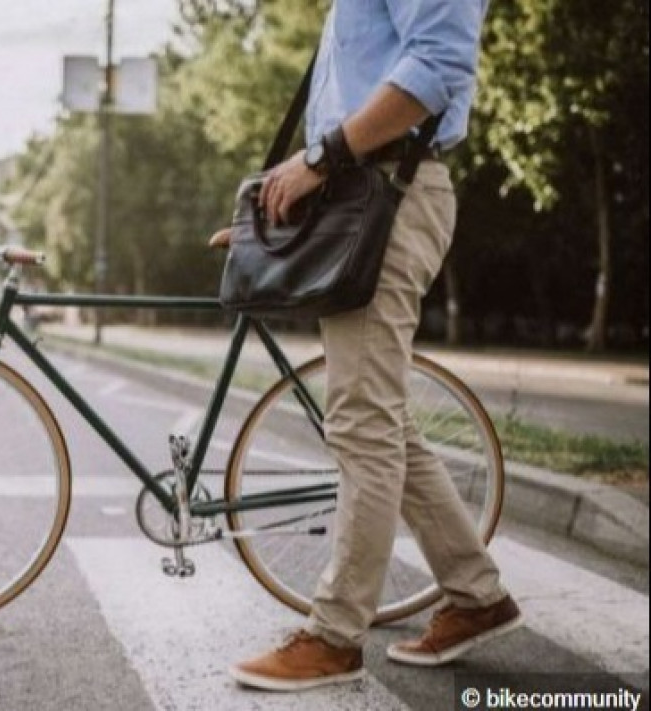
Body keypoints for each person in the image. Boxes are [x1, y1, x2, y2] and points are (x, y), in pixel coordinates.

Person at [222, 0, 521, 692]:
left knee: (360, 422)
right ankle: (476, 595)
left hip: (390, 193)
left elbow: (437, 68)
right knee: (379, 418)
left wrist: (318, 159)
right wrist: (278, 199)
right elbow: (351, 99)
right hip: (358, 193)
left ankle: (334, 636)